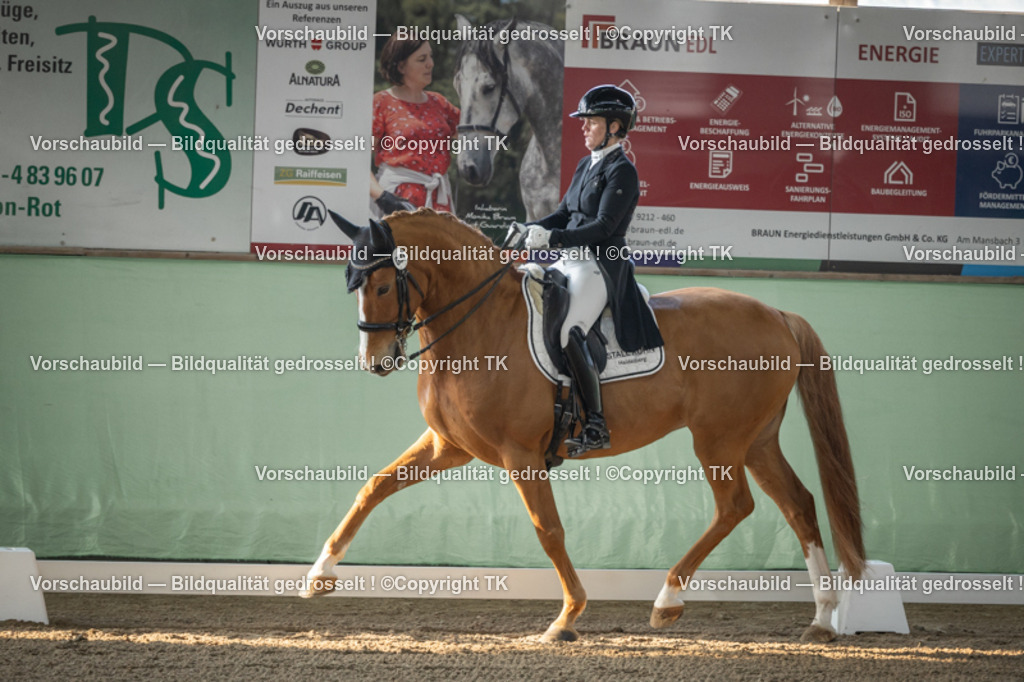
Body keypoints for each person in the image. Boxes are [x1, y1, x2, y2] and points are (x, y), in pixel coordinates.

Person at [524, 84, 664, 456]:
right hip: (568, 260)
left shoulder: (623, 172)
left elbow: (603, 228)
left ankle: (596, 425)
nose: (583, 127)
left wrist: (552, 239)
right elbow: (565, 213)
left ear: (615, 127)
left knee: (571, 330)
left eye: (592, 122)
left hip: (599, 266)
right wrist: (531, 228)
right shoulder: (587, 164)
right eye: (583, 121)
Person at [371, 38, 460, 217]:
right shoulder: (381, 102)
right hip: (396, 203)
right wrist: (382, 197)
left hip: (439, 204)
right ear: (401, 66)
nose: (431, 64)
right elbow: (358, 161)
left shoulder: (440, 103)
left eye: (431, 57)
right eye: (422, 59)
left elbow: (473, 139)